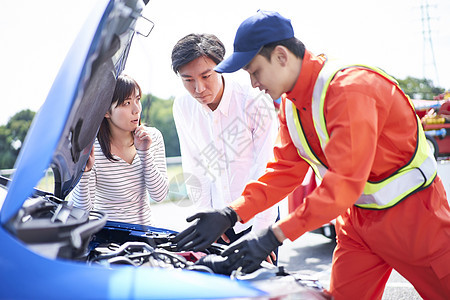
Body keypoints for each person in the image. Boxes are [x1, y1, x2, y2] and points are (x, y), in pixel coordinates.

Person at [173, 11, 450, 300]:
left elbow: (342, 185)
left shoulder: (351, 89)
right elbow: (283, 172)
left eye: (255, 72)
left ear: (281, 56)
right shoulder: (291, 105)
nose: (253, 83)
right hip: (357, 228)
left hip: (416, 224)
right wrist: (231, 213)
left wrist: (273, 236)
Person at [171, 33, 279, 247]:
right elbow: (194, 165)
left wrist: (260, 234)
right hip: (215, 222)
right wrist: (204, 218)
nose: (199, 89)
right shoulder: (183, 106)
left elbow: (266, 169)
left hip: (258, 217)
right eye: (188, 80)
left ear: (222, 68)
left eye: (206, 76)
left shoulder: (255, 102)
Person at [72, 74, 169, 226]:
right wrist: (84, 172)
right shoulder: (92, 149)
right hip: (107, 236)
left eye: (137, 99)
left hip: (145, 232)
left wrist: (144, 153)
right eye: (126, 103)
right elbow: (81, 210)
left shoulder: (152, 138)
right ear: (106, 111)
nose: (136, 109)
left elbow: (160, 195)